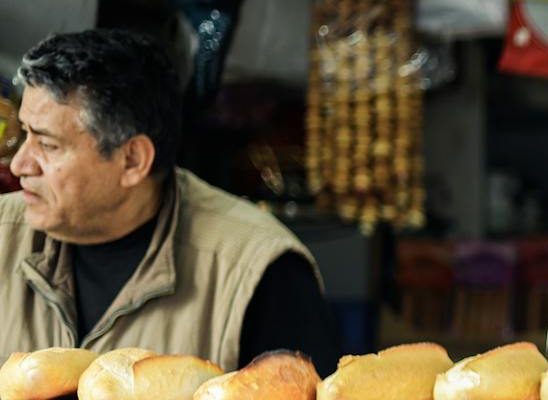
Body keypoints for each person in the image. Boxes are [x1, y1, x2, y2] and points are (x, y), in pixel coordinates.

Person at [0, 28, 339, 371]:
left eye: (47, 145)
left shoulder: (257, 273)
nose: (20, 164)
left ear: (132, 160)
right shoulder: (3, 236)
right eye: (25, 133)